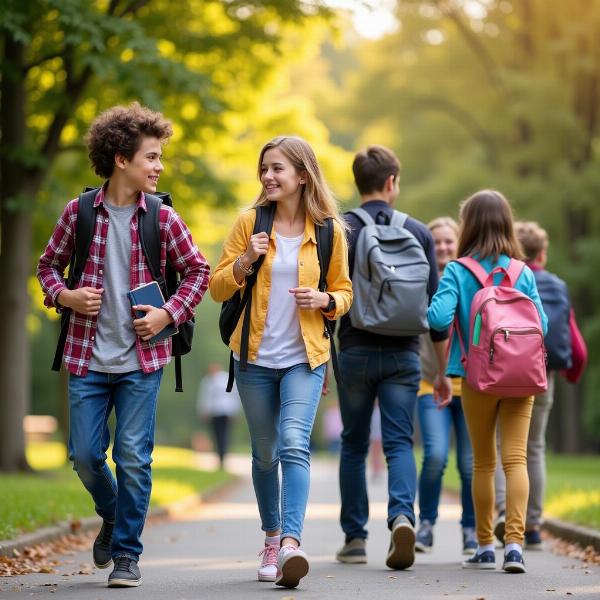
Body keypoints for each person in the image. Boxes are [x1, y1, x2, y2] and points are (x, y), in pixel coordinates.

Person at [37, 103, 210, 588]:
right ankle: (112, 517)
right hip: (86, 356)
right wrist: (65, 295)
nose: (158, 166)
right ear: (120, 158)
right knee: (86, 456)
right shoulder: (79, 213)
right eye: (151, 157)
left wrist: (167, 314)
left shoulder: (163, 217)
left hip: (142, 359)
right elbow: (47, 266)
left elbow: (199, 271)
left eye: (160, 158)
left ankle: (127, 555)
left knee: (134, 455)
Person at [209, 135, 352, 589]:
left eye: (278, 169)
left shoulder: (328, 230)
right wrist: (246, 260)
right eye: (264, 168)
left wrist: (325, 298)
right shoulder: (248, 222)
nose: (268, 176)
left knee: (294, 442)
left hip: (304, 358)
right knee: (265, 452)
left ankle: (291, 542)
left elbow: (345, 293)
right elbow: (216, 288)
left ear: (302, 176)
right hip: (252, 359)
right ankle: (270, 538)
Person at [335, 145, 450, 570]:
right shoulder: (419, 231)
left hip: (355, 350)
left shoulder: (340, 228)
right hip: (405, 355)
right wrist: (439, 370)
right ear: (391, 183)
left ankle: (355, 538)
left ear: (359, 182)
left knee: (353, 443)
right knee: (400, 443)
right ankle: (402, 516)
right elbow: (435, 308)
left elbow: (332, 296)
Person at [428, 190, 547, 574]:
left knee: (483, 462)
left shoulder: (458, 271)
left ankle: (483, 546)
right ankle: (514, 544)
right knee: (516, 458)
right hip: (522, 378)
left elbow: (438, 319)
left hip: (477, 377)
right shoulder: (522, 271)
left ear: (469, 226)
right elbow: (541, 325)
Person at [493, 221, 572, 549]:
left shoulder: (507, 276)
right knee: (534, 447)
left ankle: (502, 513)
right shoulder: (556, 284)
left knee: (502, 448)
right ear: (543, 252)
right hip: (541, 373)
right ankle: (534, 524)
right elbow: (561, 330)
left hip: (503, 370)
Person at [415, 217, 476, 556]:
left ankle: (470, 529)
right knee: (435, 455)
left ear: (459, 243)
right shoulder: (421, 282)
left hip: (469, 387)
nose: (442, 248)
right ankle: (426, 524)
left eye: (448, 242)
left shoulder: (470, 280)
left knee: (469, 464)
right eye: (436, 242)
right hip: (430, 385)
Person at [196, 362, 240, 469]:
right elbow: (205, 397)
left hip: (224, 411)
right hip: (215, 412)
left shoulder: (223, 379)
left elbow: (234, 395)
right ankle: (221, 456)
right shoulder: (208, 381)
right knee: (218, 435)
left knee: (222, 435)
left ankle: (222, 456)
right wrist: (204, 411)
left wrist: (235, 411)